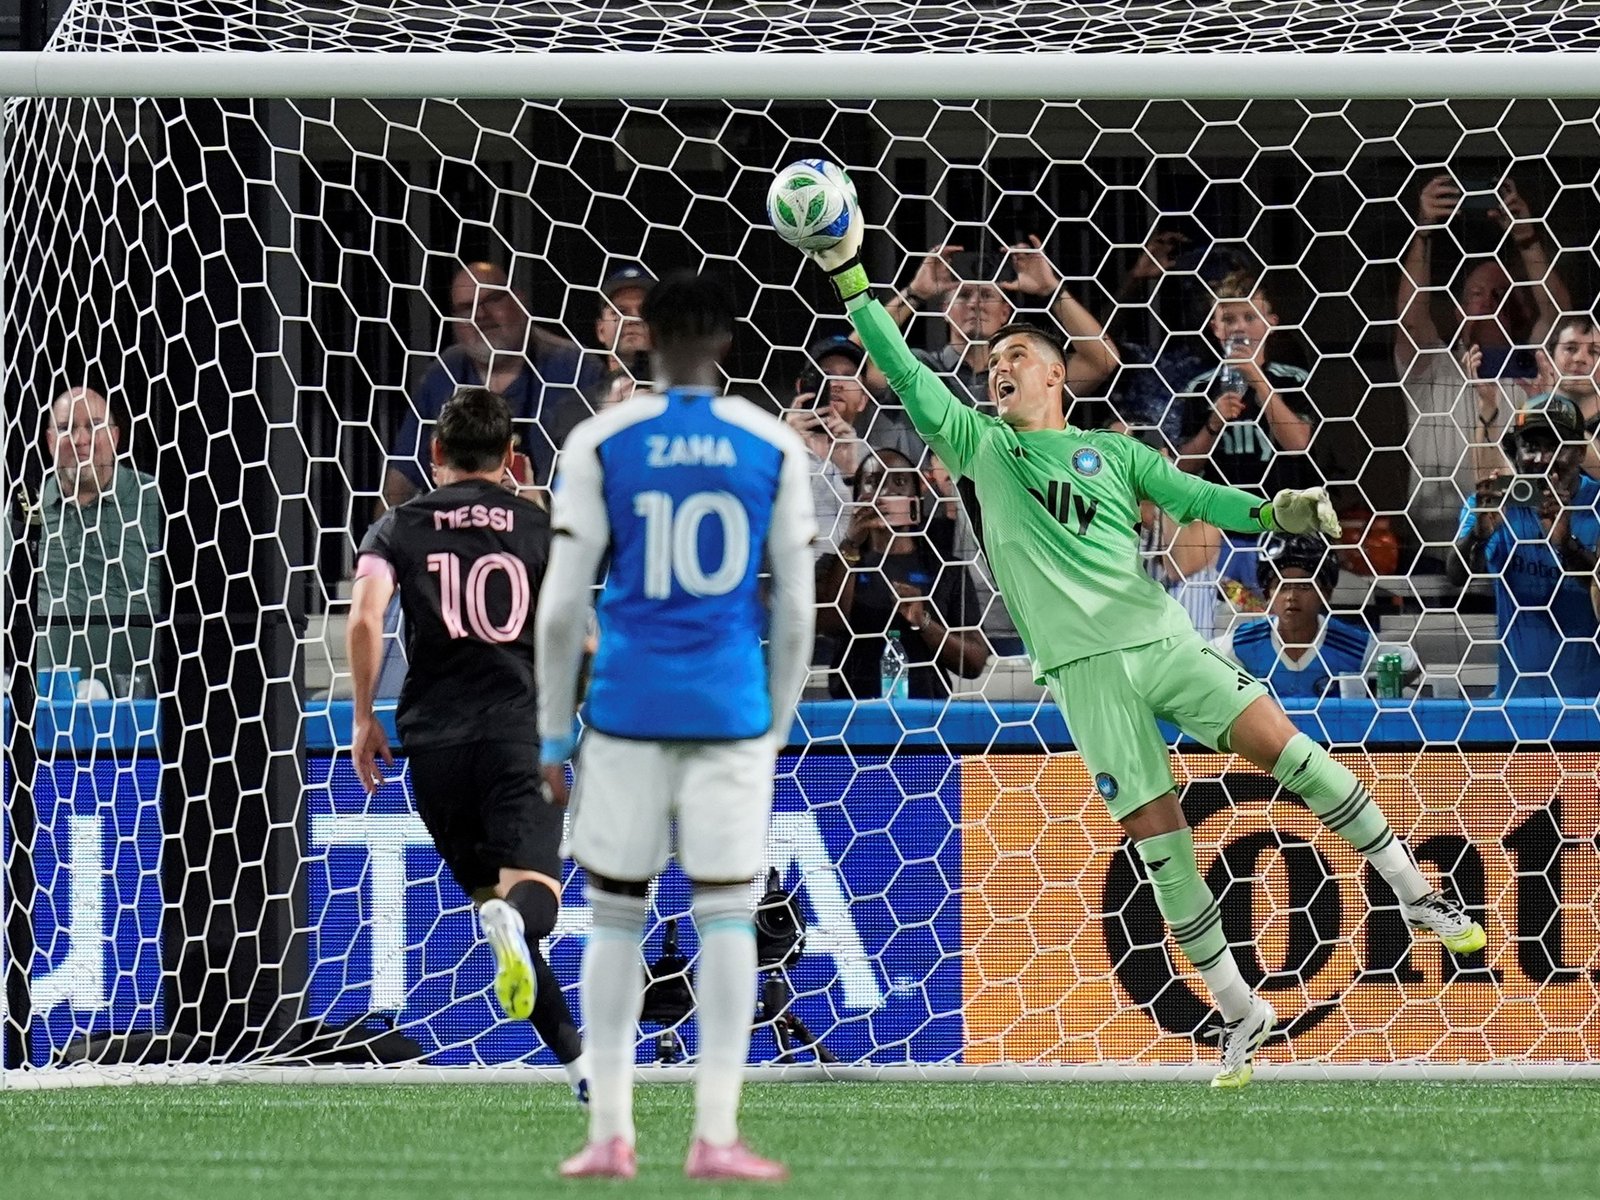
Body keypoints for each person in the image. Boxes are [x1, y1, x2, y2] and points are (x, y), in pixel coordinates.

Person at [792, 201, 1485, 1089]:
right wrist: (849, 272)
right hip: (1084, 679)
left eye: (1017, 358)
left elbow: (1202, 502)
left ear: (1056, 378)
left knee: (1292, 753)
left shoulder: (1113, 455)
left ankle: (1413, 890)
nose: (1000, 368)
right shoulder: (979, 447)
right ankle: (1240, 1011)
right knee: (1162, 850)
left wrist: (1276, 511)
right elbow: (898, 364)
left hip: (1158, 639)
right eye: (994, 361)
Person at [537, 272, 815, 1181]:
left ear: (643, 339)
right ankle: (717, 1134)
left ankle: (610, 1133)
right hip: (729, 711)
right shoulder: (768, 443)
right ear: (728, 341)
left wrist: (549, 736)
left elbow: (559, 607)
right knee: (729, 914)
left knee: (616, 917)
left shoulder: (602, 440)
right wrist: (772, 722)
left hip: (623, 711)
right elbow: (798, 605)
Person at [348, 386, 590, 1103]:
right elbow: (585, 638)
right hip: (520, 735)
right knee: (532, 900)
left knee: (501, 915)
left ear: (435, 454)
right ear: (513, 459)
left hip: (435, 749)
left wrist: (365, 718)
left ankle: (582, 1074)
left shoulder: (395, 526)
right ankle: (517, 927)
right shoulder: (543, 529)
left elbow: (364, 620)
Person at [1396, 174, 1573, 549]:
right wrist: (1423, 230)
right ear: (1459, 310)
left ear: (1519, 309)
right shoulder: (1435, 369)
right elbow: (1411, 320)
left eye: (1501, 293)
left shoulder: (1533, 373)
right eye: (1477, 293)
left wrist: (1526, 239)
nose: (1490, 301)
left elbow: (1560, 316)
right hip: (1436, 549)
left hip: (1523, 543)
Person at [382, 261, 598, 508]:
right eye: (466, 308)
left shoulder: (576, 368)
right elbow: (400, 481)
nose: (480, 315)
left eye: (492, 300)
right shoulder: (443, 374)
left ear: (519, 301)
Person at [1448, 394, 1600, 699]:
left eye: (1555, 445)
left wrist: (1567, 547)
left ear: (1581, 453)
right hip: (1516, 707)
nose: (1543, 459)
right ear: (1515, 454)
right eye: (1531, 446)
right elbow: (1457, 574)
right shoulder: (1496, 506)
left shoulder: (1597, 505)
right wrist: (1480, 533)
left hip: (1590, 709)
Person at [817, 448, 989, 698]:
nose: (886, 492)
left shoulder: (946, 569)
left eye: (899, 482)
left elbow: (974, 663)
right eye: (872, 482)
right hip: (854, 715)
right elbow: (828, 624)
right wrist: (851, 543)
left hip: (928, 717)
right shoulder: (836, 564)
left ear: (916, 498)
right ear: (856, 497)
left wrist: (924, 621)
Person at [32, 387, 163, 694]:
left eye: (93, 426)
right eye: (66, 429)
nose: (81, 441)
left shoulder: (157, 502)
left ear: (115, 438)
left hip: (149, 709)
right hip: (50, 710)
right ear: (50, 442)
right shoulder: (24, 517)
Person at [882, 240, 1120, 407]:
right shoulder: (921, 368)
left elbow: (1104, 361)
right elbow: (856, 362)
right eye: (963, 295)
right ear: (945, 310)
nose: (975, 304)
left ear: (1006, 312)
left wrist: (1052, 290)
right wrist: (914, 293)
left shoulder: (1027, 373)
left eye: (986, 295)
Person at [1211, 536, 1419, 703]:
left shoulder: (1352, 645)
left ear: (1326, 593)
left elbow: (1409, 662)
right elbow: (1199, 664)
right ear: (1267, 594)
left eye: (1304, 585)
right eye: (1282, 586)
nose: (1291, 596)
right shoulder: (1243, 643)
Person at [785, 333, 923, 555]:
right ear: (802, 386)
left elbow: (886, 544)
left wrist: (852, 475)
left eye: (849, 377)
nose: (836, 384)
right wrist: (782, 445)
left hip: (849, 581)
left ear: (863, 400)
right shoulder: (771, 449)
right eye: (825, 375)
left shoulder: (881, 464)